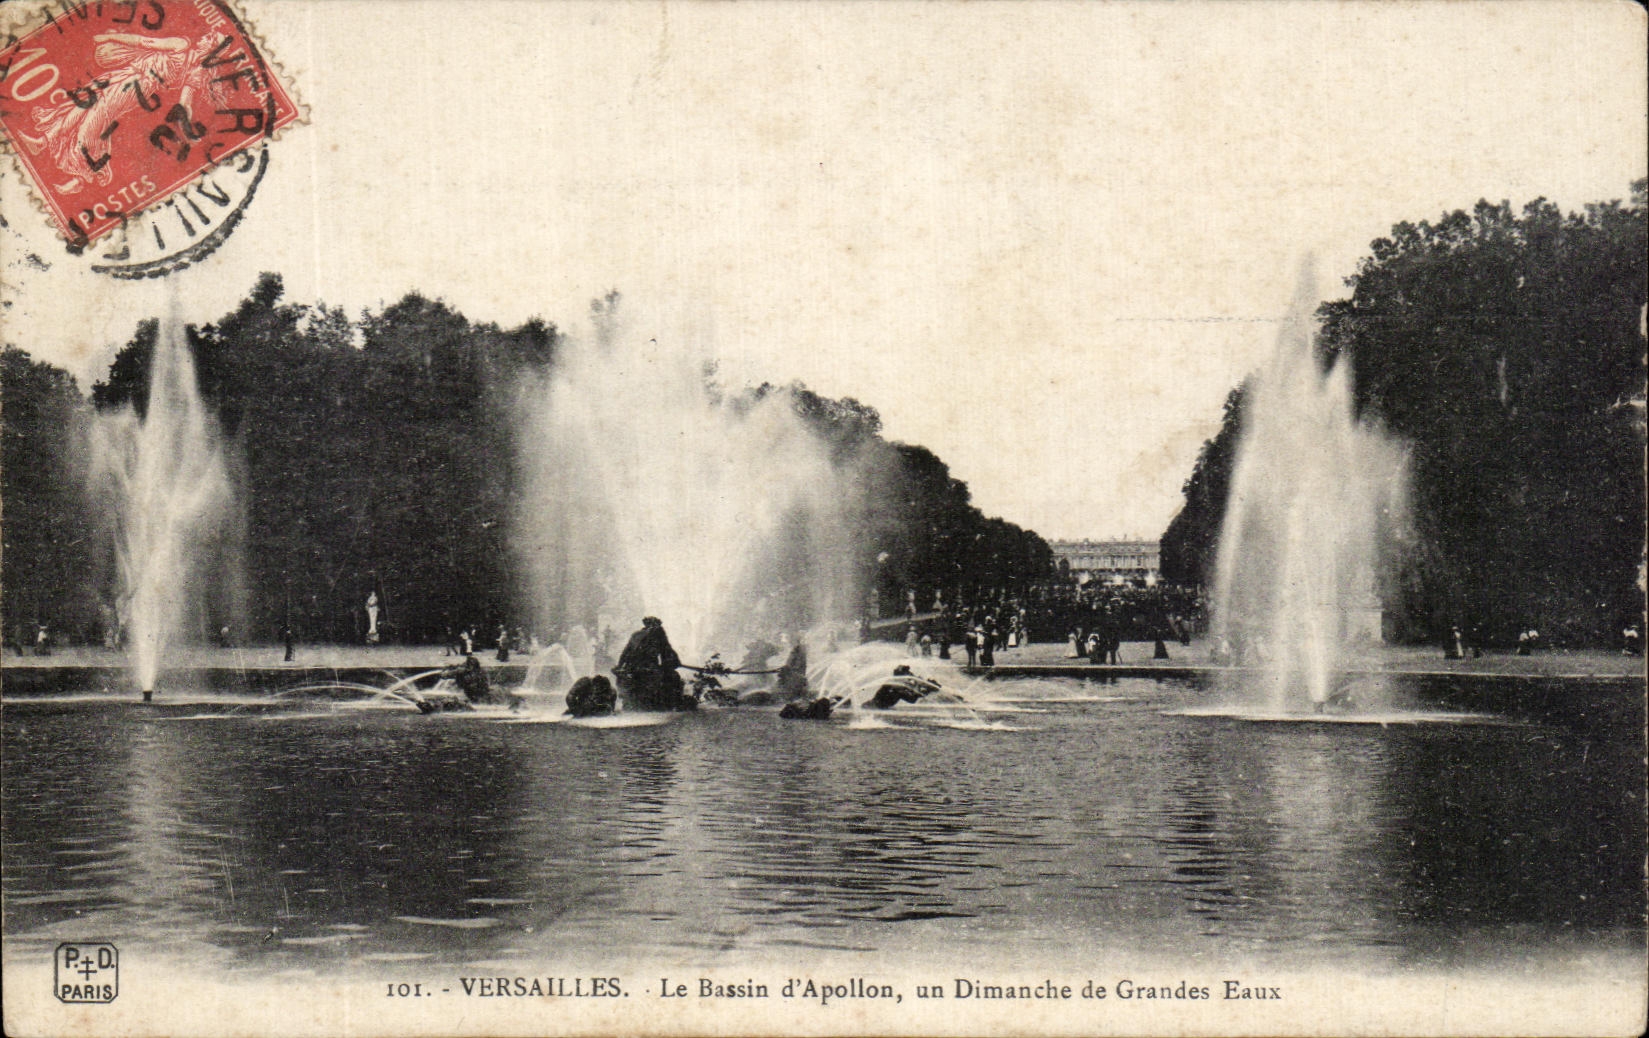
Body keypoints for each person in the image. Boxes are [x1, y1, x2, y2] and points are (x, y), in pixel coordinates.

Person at [613, 616, 692, 711]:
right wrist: (673, 663)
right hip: (649, 667)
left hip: (632, 668)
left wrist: (620, 666)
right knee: (673, 677)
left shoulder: (636, 635)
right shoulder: (658, 633)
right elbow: (667, 651)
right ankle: (672, 703)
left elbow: (625, 653)